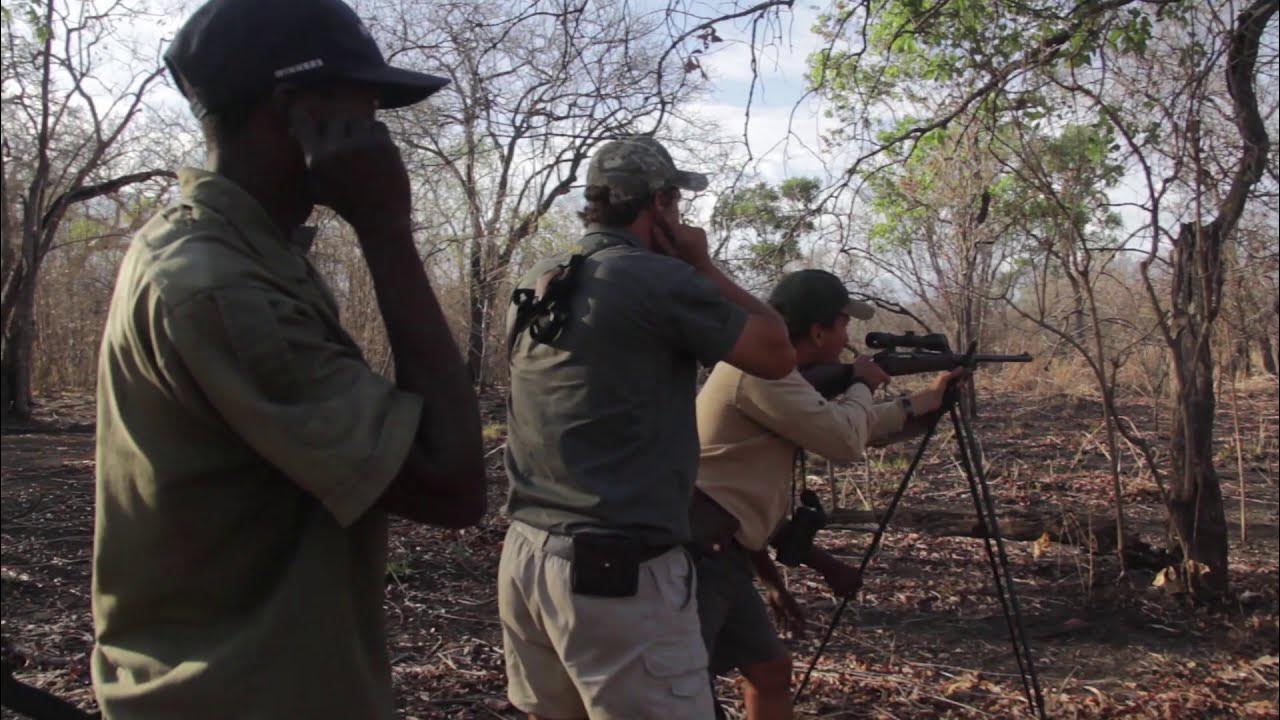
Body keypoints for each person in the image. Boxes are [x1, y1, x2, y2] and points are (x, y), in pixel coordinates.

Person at [91, 1, 487, 717]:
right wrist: (387, 232)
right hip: (245, 695)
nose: (377, 126)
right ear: (291, 110)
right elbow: (453, 484)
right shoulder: (224, 287)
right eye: (364, 103)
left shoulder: (233, 250)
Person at [497, 136, 796, 719]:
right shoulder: (657, 280)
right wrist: (702, 264)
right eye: (676, 204)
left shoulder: (540, 279)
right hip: (617, 579)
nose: (681, 217)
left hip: (527, 557)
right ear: (658, 204)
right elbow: (777, 351)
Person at [692, 269, 966, 719]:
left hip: (728, 553)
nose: (847, 335)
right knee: (681, 689)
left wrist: (921, 403)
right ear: (818, 331)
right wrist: (861, 382)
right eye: (842, 325)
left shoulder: (778, 372)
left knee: (770, 672)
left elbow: (839, 424)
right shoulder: (761, 373)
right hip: (700, 556)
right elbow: (842, 440)